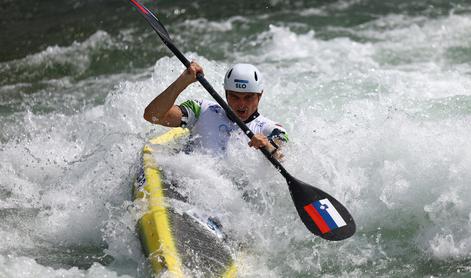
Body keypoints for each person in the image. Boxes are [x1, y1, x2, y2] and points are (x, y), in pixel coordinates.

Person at [143, 62, 288, 159]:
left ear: (260, 95)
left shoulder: (271, 129)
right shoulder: (200, 109)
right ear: (225, 93)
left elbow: (283, 158)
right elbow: (152, 116)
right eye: (235, 96)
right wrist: (183, 81)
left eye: (248, 97)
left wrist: (268, 146)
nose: (241, 104)